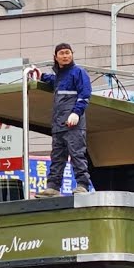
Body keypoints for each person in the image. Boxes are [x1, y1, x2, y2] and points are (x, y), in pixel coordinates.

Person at [38, 42, 93, 197]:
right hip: (58, 125)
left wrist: (76, 113)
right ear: (56, 57)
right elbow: (52, 79)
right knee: (57, 157)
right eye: (61, 53)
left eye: (67, 52)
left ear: (72, 54)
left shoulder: (78, 72)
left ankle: (82, 185)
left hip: (73, 124)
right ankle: (53, 187)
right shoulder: (60, 77)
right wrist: (39, 75)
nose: (65, 55)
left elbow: (85, 94)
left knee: (77, 155)